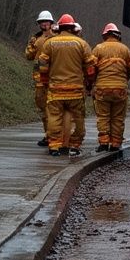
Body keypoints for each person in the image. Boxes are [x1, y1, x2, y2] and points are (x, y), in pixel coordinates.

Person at [39, 14, 95, 157]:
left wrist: (45, 82)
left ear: (59, 27)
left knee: (54, 118)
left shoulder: (50, 43)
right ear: (72, 27)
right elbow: (90, 68)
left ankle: (54, 147)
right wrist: (89, 84)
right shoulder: (82, 44)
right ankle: (75, 146)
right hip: (75, 92)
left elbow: (43, 66)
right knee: (78, 120)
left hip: (55, 91)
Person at [91, 23, 130, 154]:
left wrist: (92, 82)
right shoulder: (125, 50)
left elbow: (90, 69)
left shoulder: (98, 48)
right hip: (120, 89)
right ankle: (116, 144)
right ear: (118, 35)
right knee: (117, 117)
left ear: (105, 35)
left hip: (102, 89)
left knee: (103, 117)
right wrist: (123, 80)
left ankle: (104, 143)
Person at [25, 11, 56, 147]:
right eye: (41, 22)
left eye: (46, 21)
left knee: (52, 108)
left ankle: (53, 136)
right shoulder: (35, 39)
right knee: (43, 107)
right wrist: (32, 45)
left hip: (53, 77)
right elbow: (29, 55)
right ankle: (48, 135)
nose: (44, 24)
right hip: (39, 78)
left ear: (51, 23)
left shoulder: (56, 37)